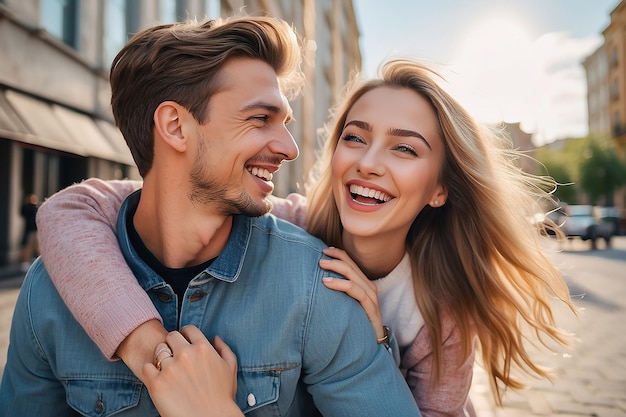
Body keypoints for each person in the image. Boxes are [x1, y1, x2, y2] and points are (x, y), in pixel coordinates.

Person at [34, 60, 574, 416]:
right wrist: (155, 353)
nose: (367, 163)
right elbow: (71, 210)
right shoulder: (292, 226)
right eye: (354, 137)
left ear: (439, 190)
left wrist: (379, 338)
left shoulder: (441, 307)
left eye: (404, 149)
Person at [0, 16, 421, 417]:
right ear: (176, 127)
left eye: (285, 122)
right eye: (260, 118)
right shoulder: (49, 294)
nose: (290, 148)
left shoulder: (318, 284)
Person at [19, 193, 39, 271]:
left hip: (34, 230)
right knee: (27, 246)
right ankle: (24, 262)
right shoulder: (30, 207)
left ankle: (27, 262)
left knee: (36, 247)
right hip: (30, 230)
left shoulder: (34, 207)